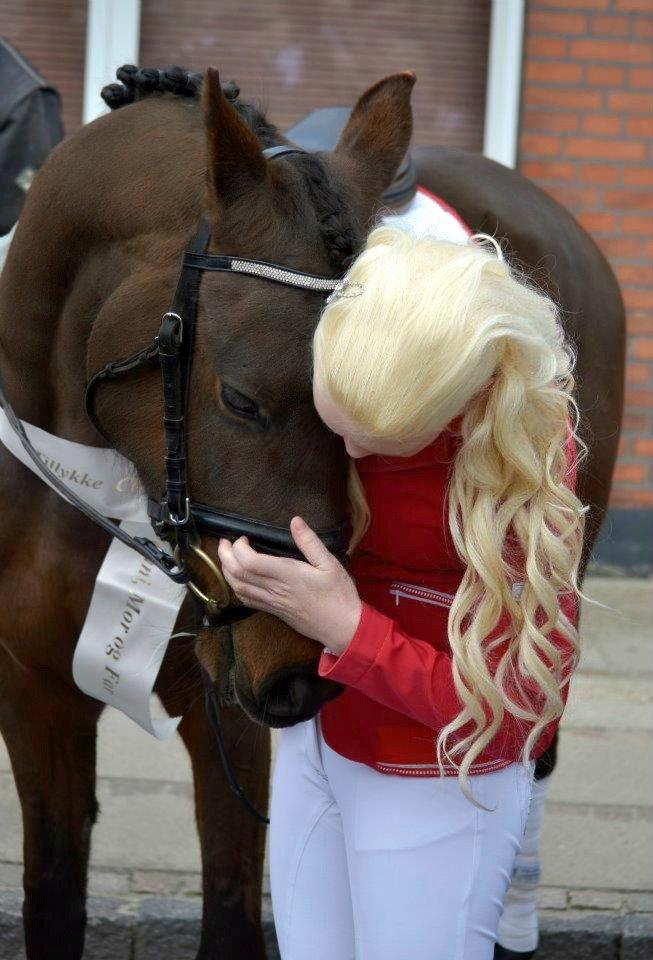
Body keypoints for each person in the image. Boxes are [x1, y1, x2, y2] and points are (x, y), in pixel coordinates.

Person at [217, 225, 586, 960]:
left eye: (378, 442)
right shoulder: (361, 380)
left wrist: (346, 628)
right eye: (336, 425)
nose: (349, 453)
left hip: (439, 772)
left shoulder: (521, 470)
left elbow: (515, 710)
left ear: (453, 403)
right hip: (316, 737)